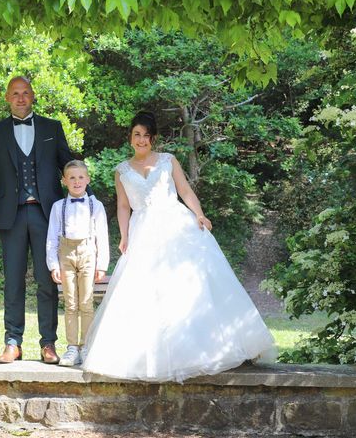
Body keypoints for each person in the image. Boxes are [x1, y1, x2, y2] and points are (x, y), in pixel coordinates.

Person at [82, 112, 276, 382]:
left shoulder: (168, 161)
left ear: (154, 138)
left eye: (146, 135)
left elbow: (185, 191)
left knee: (188, 284)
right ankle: (150, 355)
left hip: (176, 224)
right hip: (143, 230)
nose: (141, 140)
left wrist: (199, 214)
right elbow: (123, 206)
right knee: (148, 292)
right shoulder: (122, 170)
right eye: (136, 134)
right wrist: (124, 236)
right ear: (130, 137)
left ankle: (207, 348)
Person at [0, 76, 74, 364]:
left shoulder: (52, 128)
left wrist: (86, 203)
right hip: (12, 215)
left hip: (47, 215)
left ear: (33, 96)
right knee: (13, 280)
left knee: (46, 279)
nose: (20, 98)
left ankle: (48, 343)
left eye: (25, 93)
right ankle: (13, 341)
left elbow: (68, 166)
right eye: (15, 93)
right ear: (7, 97)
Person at [45, 160, 109, 367]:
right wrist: (53, 264)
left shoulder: (95, 205)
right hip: (66, 255)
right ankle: (72, 347)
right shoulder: (58, 207)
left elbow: (102, 236)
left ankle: (86, 346)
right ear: (64, 181)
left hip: (88, 253)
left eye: (81, 177)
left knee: (86, 303)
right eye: (71, 177)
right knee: (71, 303)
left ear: (88, 179)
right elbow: (52, 238)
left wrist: (102, 264)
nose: (77, 181)